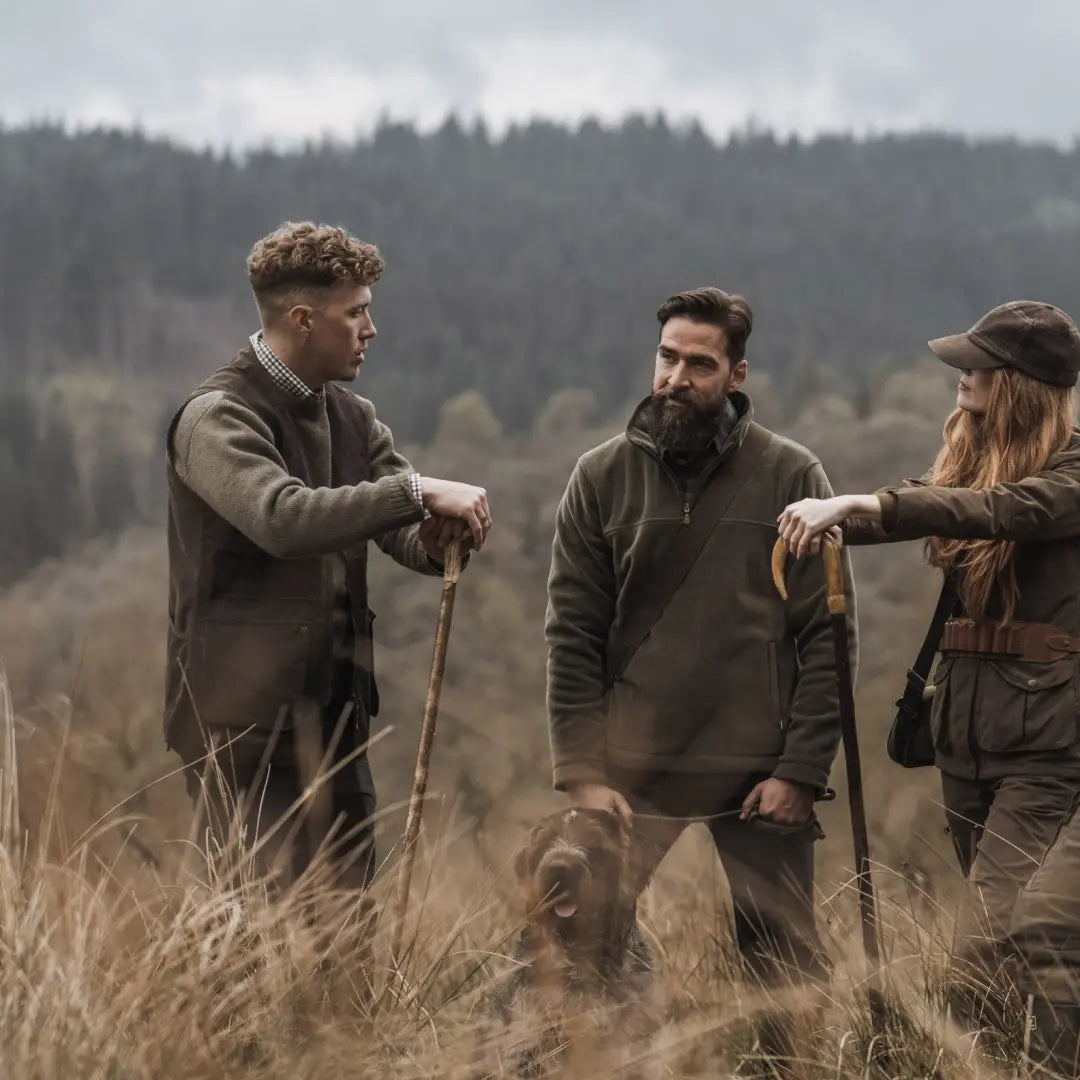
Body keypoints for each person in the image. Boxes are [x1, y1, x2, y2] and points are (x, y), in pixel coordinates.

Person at [545, 286, 855, 1012]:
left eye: (699, 365)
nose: (675, 379)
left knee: (783, 965)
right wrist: (581, 772)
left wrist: (801, 771)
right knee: (583, 947)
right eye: (666, 358)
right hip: (630, 770)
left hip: (759, 773)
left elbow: (828, 637)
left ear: (736, 375)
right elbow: (572, 633)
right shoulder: (600, 477)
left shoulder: (792, 476)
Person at [777, 299, 1080, 1039]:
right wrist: (829, 518)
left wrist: (863, 501)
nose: (959, 378)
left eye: (976, 366)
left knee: (995, 942)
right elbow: (933, 502)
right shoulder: (970, 464)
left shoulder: (1069, 474)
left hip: (1049, 750)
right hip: (968, 744)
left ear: (1019, 382)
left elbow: (1005, 511)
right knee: (1000, 959)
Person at [165, 220, 492, 892]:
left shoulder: (352, 416)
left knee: (344, 932)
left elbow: (398, 525)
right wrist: (416, 490)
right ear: (304, 319)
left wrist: (434, 541)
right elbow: (281, 518)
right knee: (253, 935)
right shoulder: (216, 418)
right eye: (357, 314)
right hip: (241, 731)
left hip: (337, 718)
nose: (371, 330)